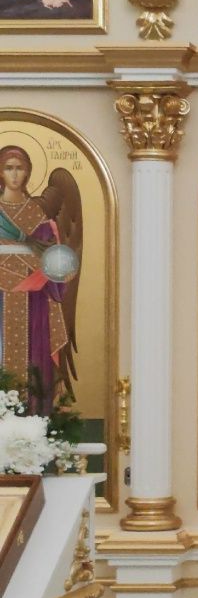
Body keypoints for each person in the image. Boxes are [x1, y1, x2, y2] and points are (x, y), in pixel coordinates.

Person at [0, 145, 78, 412]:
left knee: (34, 361)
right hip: (1, 299)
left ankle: (34, 416)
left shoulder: (38, 215)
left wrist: (62, 271)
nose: (14, 174)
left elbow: (54, 263)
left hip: (33, 301)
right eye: (8, 168)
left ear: (28, 172)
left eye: (19, 168)